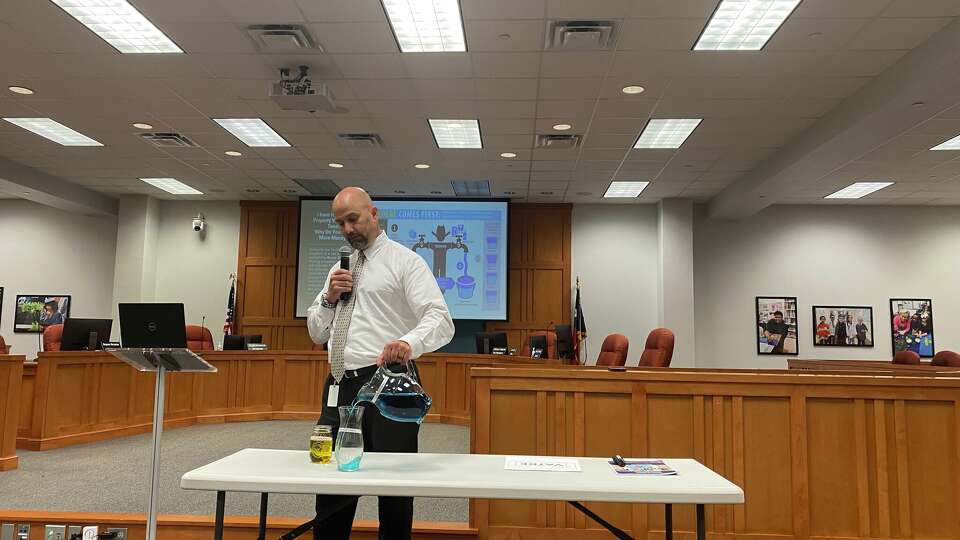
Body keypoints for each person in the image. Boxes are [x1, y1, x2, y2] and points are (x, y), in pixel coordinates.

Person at [306, 187, 455, 540]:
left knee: (394, 487)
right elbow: (315, 331)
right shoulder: (338, 269)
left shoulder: (405, 261)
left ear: (374, 214)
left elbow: (441, 319)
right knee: (330, 483)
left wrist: (408, 342)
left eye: (352, 219)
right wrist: (329, 297)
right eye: (339, 223)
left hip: (389, 383)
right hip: (340, 385)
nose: (346, 229)